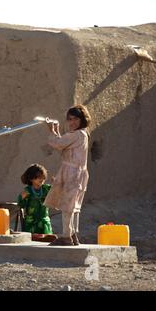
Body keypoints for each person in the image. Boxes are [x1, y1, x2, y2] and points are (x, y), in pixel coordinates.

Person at [44, 105, 92, 246]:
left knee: (68, 206)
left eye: (75, 119)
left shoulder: (76, 134)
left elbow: (57, 143)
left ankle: (66, 236)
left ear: (82, 119)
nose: (72, 122)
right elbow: (63, 144)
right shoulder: (82, 134)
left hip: (72, 173)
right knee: (73, 206)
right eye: (70, 119)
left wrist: (51, 131)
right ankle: (72, 235)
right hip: (78, 173)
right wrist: (57, 131)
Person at [17, 164, 53, 235]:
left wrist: (56, 185)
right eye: (39, 177)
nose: (42, 179)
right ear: (31, 178)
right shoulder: (27, 191)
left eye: (43, 177)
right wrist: (21, 198)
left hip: (45, 223)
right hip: (31, 224)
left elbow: (57, 195)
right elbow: (20, 204)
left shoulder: (46, 189)